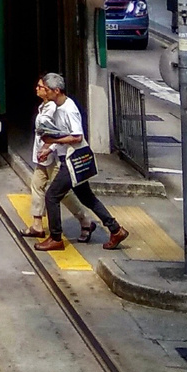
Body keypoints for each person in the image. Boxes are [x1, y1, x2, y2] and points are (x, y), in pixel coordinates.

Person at [31, 73, 128, 251]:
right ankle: (116, 229)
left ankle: (55, 238)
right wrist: (49, 149)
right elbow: (63, 134)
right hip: (70, 158)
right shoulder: (58, 107)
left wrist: (53, 141)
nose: (43, 92)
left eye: (45, 89)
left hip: (72, 160)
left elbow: (77, 136)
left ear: (56, 90)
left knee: (52, 196)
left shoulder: (68, 109)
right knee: (87, 197)